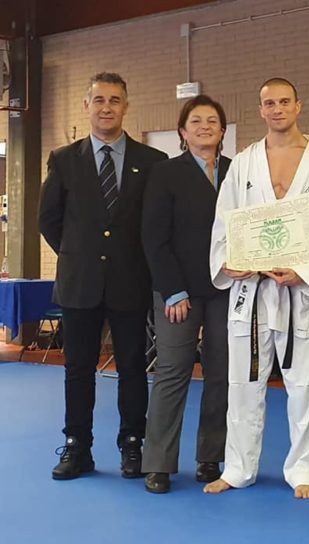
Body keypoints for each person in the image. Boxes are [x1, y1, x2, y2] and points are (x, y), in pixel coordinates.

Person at [204, 78, 309, 499]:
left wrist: (307, 271)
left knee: (305, 384)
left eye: (284, 101)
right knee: (243, 384)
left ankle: (306, 469)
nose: (277, 109)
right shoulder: (243, 163)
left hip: (299, 291)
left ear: (298, 106)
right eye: (269, 103)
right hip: (252, 292)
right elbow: (225, 219)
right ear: (260, 109)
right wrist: (227, 261)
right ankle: (238, 468)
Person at [39, 72, 167, 480]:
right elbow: (49, 220)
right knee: (78, 369)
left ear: (126, 106)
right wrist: (80, 257)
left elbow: (156, 225)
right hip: (80, 283)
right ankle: (77, 446)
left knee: (132, 368)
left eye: (114, 100)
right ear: (86, 106)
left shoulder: (153, 162)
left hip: (131, 282)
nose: (106, 107)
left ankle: (132, 444)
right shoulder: (63, 159)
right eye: (99, 100)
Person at [140, 95, 232, 494]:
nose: (204, 127)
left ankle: (211, 456)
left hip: (227, 287)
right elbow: (154, 237)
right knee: (172, 372)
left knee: (221, 374)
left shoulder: (237, 172)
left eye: (212, 121)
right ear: (182, 131)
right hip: (178, 291)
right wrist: (173, 290)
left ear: (223, 130)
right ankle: (158, 463)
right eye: (196, 121)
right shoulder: (166, 173)